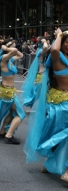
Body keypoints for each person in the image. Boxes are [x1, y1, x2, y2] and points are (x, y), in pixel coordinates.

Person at [24, 27, 68, 183]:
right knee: (58, 136)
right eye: (67, 42)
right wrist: (60, 35)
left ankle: (55, 166)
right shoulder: (58, 57)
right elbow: (54, 49)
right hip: (61, 105)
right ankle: (58, 167)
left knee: (62, 137)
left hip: (62, 104)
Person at [0, 39, 25, 144]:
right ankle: (9, 135)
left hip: (10, 91)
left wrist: (8, 47)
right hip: (7, 92)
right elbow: (15, 51)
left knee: (12, 113)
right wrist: (6, 47)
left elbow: (20, 55)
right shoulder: (3, 59)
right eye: (13, 44)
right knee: (20, 114)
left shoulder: (10, 60)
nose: (15, 46)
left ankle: (2, 131)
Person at [20, 38, 48, 108]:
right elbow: (45, 47)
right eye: (48, 43)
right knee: (39, 91)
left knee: (41, 92)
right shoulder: (41, 51)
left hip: (44, 75)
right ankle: (30, 102)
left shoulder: (45, 52)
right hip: (42, 75)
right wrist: (44, 41)